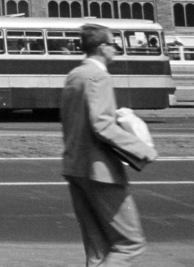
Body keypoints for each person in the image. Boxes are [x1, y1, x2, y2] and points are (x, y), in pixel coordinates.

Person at [60, 24, 156, 267]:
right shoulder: (98, 76)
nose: (116, 49)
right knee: (129, 244)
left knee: (97, 248)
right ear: (102, 47)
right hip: (99, 171)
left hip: (75, 167)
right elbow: (101, 125)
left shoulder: (75, 75)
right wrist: (143, 149)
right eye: (114, 44)